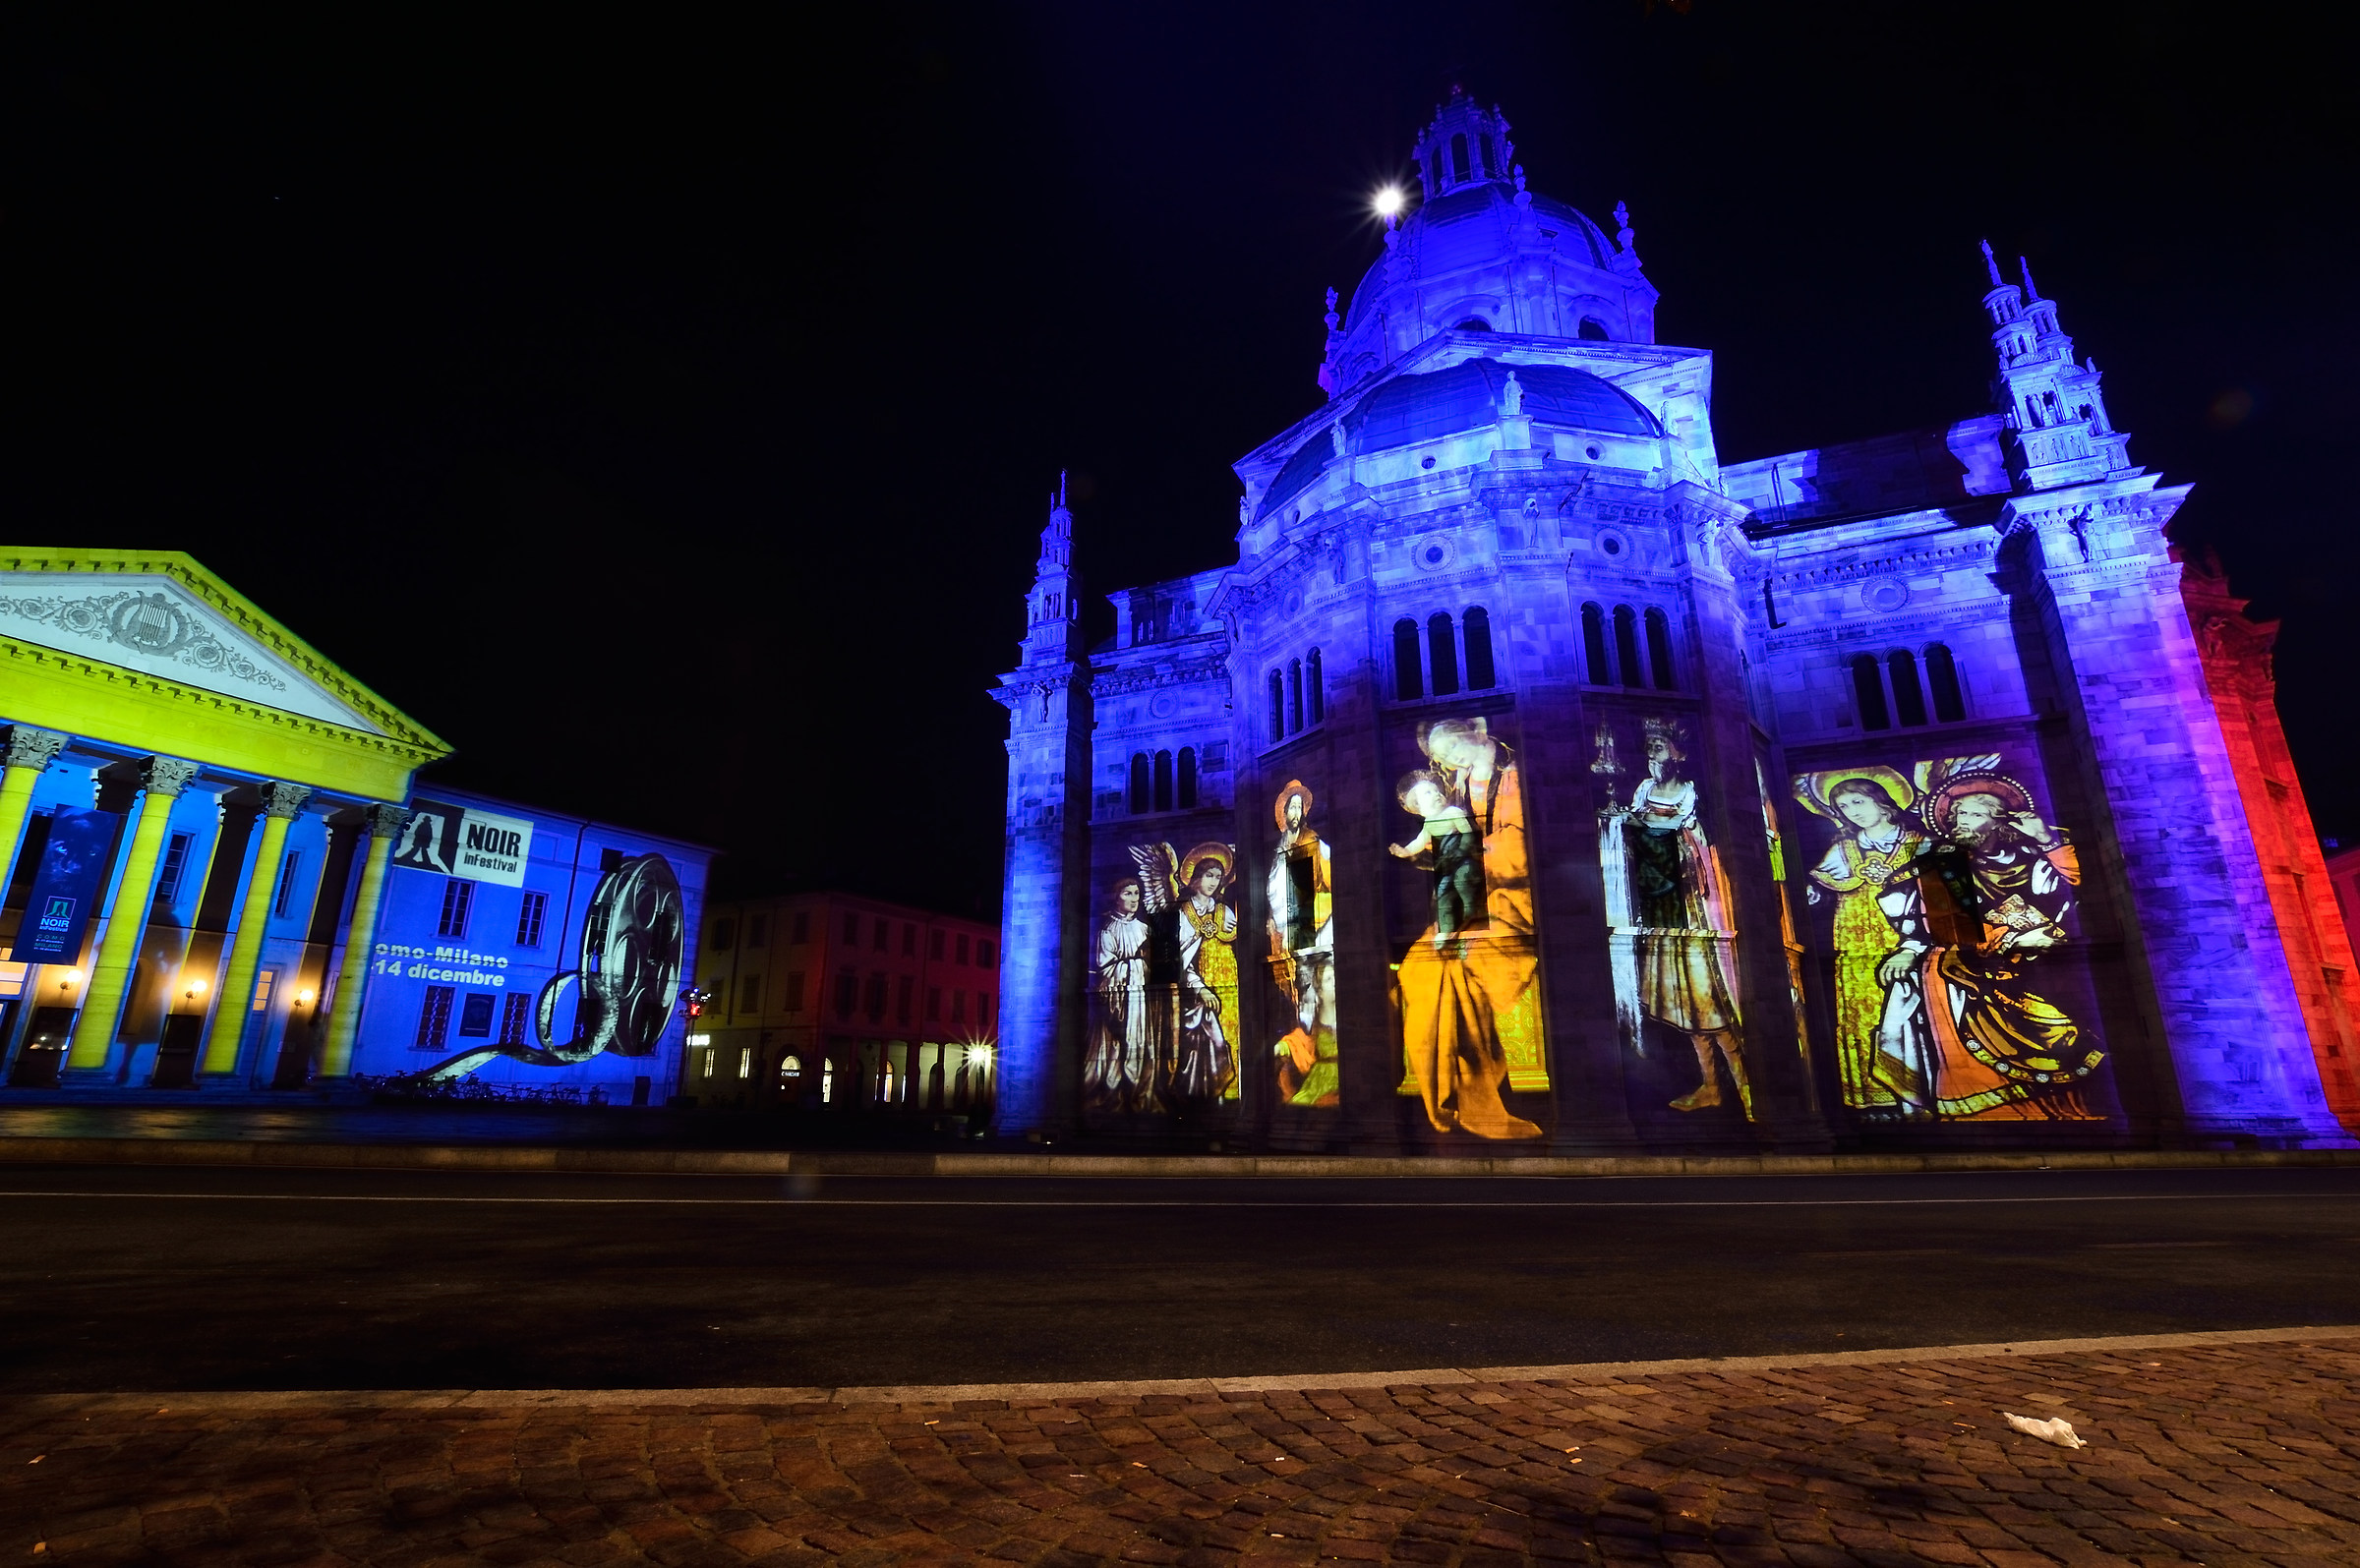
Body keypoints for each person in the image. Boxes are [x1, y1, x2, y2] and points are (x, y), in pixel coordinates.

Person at [1871, 777, 2099, 1120]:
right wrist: (2012, 939)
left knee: (2067, 1034)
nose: (1961, 821)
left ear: (2000, 821)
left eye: (1974, 815)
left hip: (2046, 957)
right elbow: (1944, 925)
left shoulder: (2034, 855)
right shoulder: (1943, 863)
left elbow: (2085, 883)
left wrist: (2043, 838)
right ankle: (1988, 1112)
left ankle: (2063, 1112)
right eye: (1959, 814)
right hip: (1970, 964)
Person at [1393, 717, 1541, 1138]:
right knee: (1416, 969)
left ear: (1474, 730)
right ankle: (1442, 1094)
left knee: (1457, 970)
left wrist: (1471, 852)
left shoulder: (1512, 778)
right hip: (1472, 901)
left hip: (1516, 900)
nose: (1446, 758)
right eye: (1439, 756)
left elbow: (1521, 846)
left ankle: (1481, 1102)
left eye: (1449, 745)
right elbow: (1443, 848)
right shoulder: (1457, 789)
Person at [1606, 726, 1747, 1116]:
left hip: (1691, 904)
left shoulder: (1689, 791)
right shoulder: (1641, 789)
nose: (1653, 751)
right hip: (1657, 903)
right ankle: (1711, 1086)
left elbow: (1689, 834)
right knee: (1686, 1007)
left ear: (1677, 753)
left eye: (1660, 745)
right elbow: (1633, 828)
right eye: (1649, 745)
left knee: (1710, 1003)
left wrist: (1645, 827)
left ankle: (1749, 1091)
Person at [1801, 774, 1925, 1113]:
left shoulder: (1917, 843)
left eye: (1858, 802)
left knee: (1912, 1019)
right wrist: (1808, 891)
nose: (1852, 812)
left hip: (1905, 942)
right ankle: (1876, 1097)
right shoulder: (1843, 849)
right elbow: (1818, 887)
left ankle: (1917, 1095)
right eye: (1843, 807)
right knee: (1861, 1017)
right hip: (1855, 945)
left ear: (1882, 801)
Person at [1267, 783, 1339, 1108]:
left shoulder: (1314, 842)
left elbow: (1330, 876)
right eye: (1290, 808)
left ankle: (1313, 1041)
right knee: (1296, 986)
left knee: (1311, 982)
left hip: (1311, 924)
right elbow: (1272, 890)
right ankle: (1301, 1041)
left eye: (1299, 807)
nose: (1295, 813)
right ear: (1282, 813)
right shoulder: (1276, 850)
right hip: (1285, 928)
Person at [1167, 850, 1239, 1106]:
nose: (1213, 882)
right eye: (1208, 876)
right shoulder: (1181, 913)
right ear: (1195, 878)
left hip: (1228, 983)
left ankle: (1229, 1095)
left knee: (1231, 1037)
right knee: (1206, 1044)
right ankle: (1204, 1100)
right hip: (1195, 992)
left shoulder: (1224, 911)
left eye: (1218, 877)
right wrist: (1201, 989)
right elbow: (1177, 961)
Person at [1083, 876, 1155, 1114]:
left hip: (1139, 1001)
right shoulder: (1107, 930)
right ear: (1116, 897)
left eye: (1137, 893)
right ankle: (1113, 1099)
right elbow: (1105, 968)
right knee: (1112, 1050)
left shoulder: (1144, 929)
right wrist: (1136, 964)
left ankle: (1139, 1098)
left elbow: (1152, 966)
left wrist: (1145, 964)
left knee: (1140, 1046)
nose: (1134, 899)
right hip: (1116, 1001)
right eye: (1128, 893)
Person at [1390, 771, 1483, 944]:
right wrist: (1405, 851)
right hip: (1445, 866)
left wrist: (1461, 851)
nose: (1436, 794)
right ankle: (1446, 930)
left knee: (1463, 880)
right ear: (1417, 806)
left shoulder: (1453, 812)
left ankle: (1471, 912)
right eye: (1428, 793)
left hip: (1464, 860)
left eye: (1436, 791)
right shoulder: (1428, 824)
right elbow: (1419, 842)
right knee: (1442, 895)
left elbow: (1469, 833)